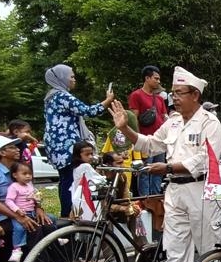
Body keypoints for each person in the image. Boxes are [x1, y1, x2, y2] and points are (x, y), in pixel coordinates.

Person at [108, 66, 221, 262]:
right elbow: (149, 144)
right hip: (174, 191)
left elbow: (207, 159)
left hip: (201, 190)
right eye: (172, 93)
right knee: (175, 251)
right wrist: (126, 129)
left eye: (179, 93)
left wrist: (169, 167)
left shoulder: (210, 122)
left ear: (195, 94)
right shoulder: (172, 122)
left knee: (209, 247)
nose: (174, 98)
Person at [0, 135, 58, 262]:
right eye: (12, 147)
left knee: (48, 223)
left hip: (26, 211)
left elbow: (32, 192)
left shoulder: (21, 170)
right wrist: (17, 216)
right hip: (5, 215)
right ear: (2, 153)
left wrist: (39, 208)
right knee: (33, 228)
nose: (17, 150)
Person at [42, 64, 113, 218]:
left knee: (65, 179)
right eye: (71, 76)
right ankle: (69, 215)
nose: (74, 79)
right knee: (70, 180)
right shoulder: (62, 96)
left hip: (56, 146)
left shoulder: (50, 97)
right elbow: (88, 111)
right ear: (62, 78)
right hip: (66, 146)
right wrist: (107, 101)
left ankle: (67, 214)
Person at [127, 65, 168, 196]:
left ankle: (156, 197)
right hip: (145, 140)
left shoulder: (160, 99)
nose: (158, 81)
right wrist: (137, 139)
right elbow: (133, 119)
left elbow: (164, 117)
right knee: (145, 171)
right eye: (156, 78)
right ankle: (144, 199)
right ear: (147, 78)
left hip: (160, 141)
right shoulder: (136, 95)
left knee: (159, 171)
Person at [5, 161, 38, 262]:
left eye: (30, 174)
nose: (28, 176)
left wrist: (37, 199)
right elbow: (8, 200)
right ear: (15, 175)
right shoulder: (14, 187)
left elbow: (35, 195)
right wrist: (17, 210)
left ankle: (57, 238)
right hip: (21, 213)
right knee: (19, 228)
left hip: (32, 212)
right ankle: (17, 249)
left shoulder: (29, 185)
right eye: (24, 174)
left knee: (51, 219)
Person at [69, 141, 106, 222]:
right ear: (78, 155)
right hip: (86, 197)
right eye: (87, 154)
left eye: (91, 154)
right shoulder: (85, 166)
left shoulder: (76, 167)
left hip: (78, 198)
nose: (90, 157)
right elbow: (98, 180)